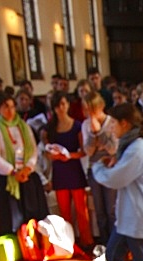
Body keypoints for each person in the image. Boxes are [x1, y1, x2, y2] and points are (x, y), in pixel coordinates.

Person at [91, 103, 143, 261]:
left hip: (136, 216)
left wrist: (98, 167)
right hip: (130, 216)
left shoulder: (137, 148)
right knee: (113, 256)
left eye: (113, 123)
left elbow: (115, 179)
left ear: (125, 124)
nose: (111, 128)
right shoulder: (131, 145)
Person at [0, 90, 48, 234]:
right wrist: (13, 171)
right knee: (12, 215)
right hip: (9, 178)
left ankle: (34, 244)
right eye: (5, 107)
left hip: (27, 174)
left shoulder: (24, 126)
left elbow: (33, 149)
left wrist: (27, 168)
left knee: (33, 212)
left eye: (12, 106)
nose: (10, 110)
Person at [45, 91, 92, 249]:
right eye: (58, 106)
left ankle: (87, 241)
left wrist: (69, 155)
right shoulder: (51, 127)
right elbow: (46, 149)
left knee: (81, 210)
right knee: (64, 212)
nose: (61, 108)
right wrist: (52, 155)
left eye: (64, 104)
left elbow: (83, 150)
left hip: (73, 168)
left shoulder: (77, 125)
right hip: (59, 171)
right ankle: (69, 243)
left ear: (68, 105)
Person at [83, 93, 118, 250]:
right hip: (94, 169)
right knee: (99, 210)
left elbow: (113, 148)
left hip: (109, 169)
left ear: (101, 107)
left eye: (93, 110)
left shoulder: (112, 123)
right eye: (87, 110)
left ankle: (115, 243)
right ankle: (104, 243)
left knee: (111, 209)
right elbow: (89, 151)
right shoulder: (86, 125)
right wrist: (93, 134)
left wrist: (100, 134)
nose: (90, 114)